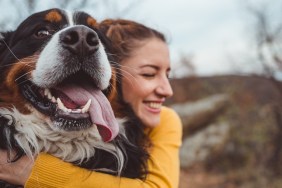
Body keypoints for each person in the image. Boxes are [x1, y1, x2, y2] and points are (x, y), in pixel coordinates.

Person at [0, 19, 182, 188]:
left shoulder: (165, 119)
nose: (168, 90)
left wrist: (30, 171)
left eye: (168, 75)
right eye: (149, 74)